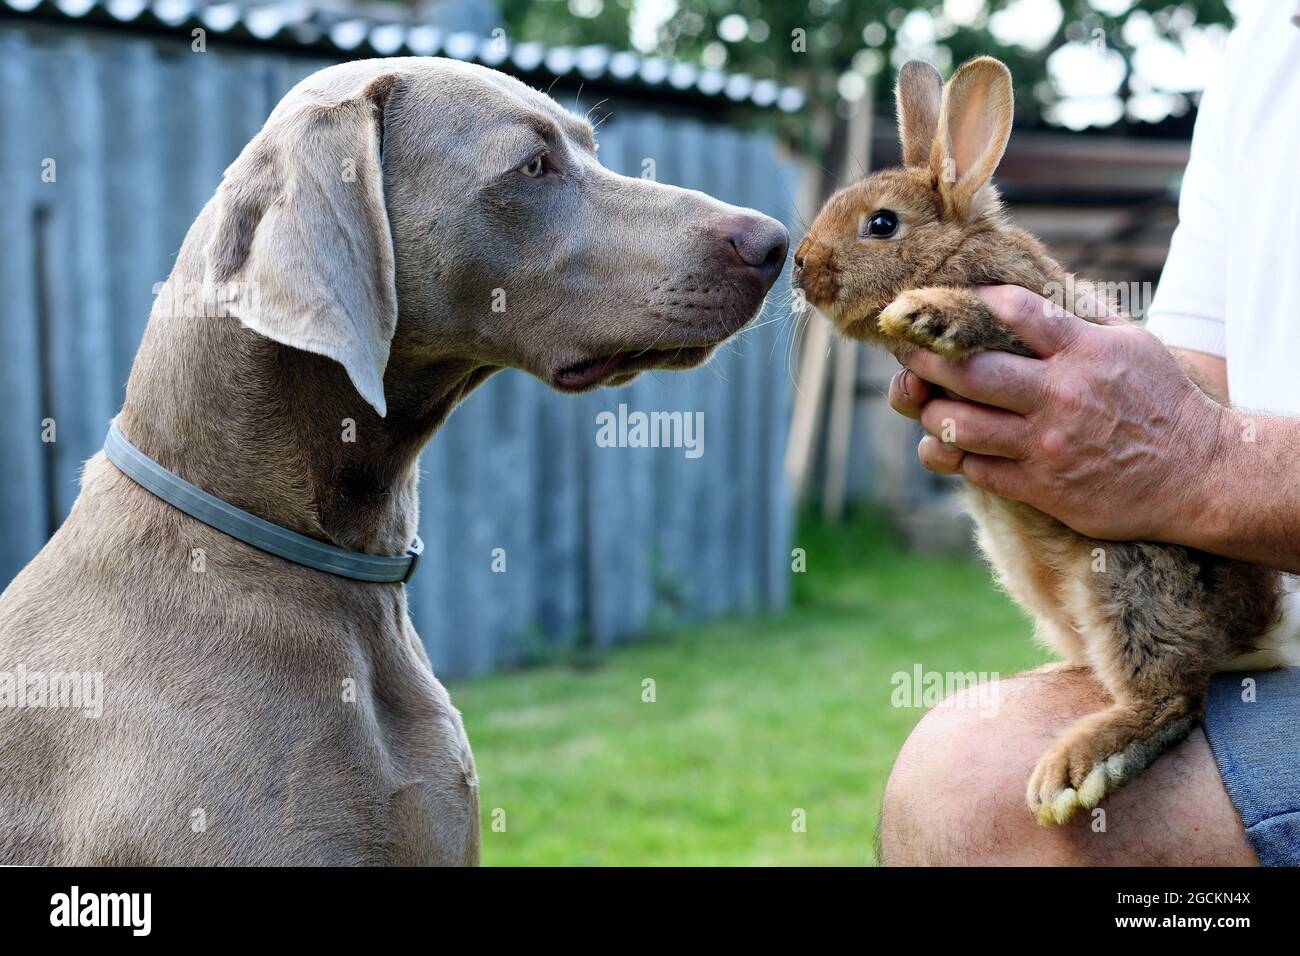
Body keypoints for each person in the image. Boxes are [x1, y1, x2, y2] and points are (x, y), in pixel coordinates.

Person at [878, 1, 1300, 866]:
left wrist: (1203, 459)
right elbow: (1191, 376)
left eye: (881, 231)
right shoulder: (1266, 39)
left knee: (981, 802)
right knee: (961, 759)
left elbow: (1190, 436)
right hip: (1265, 637)